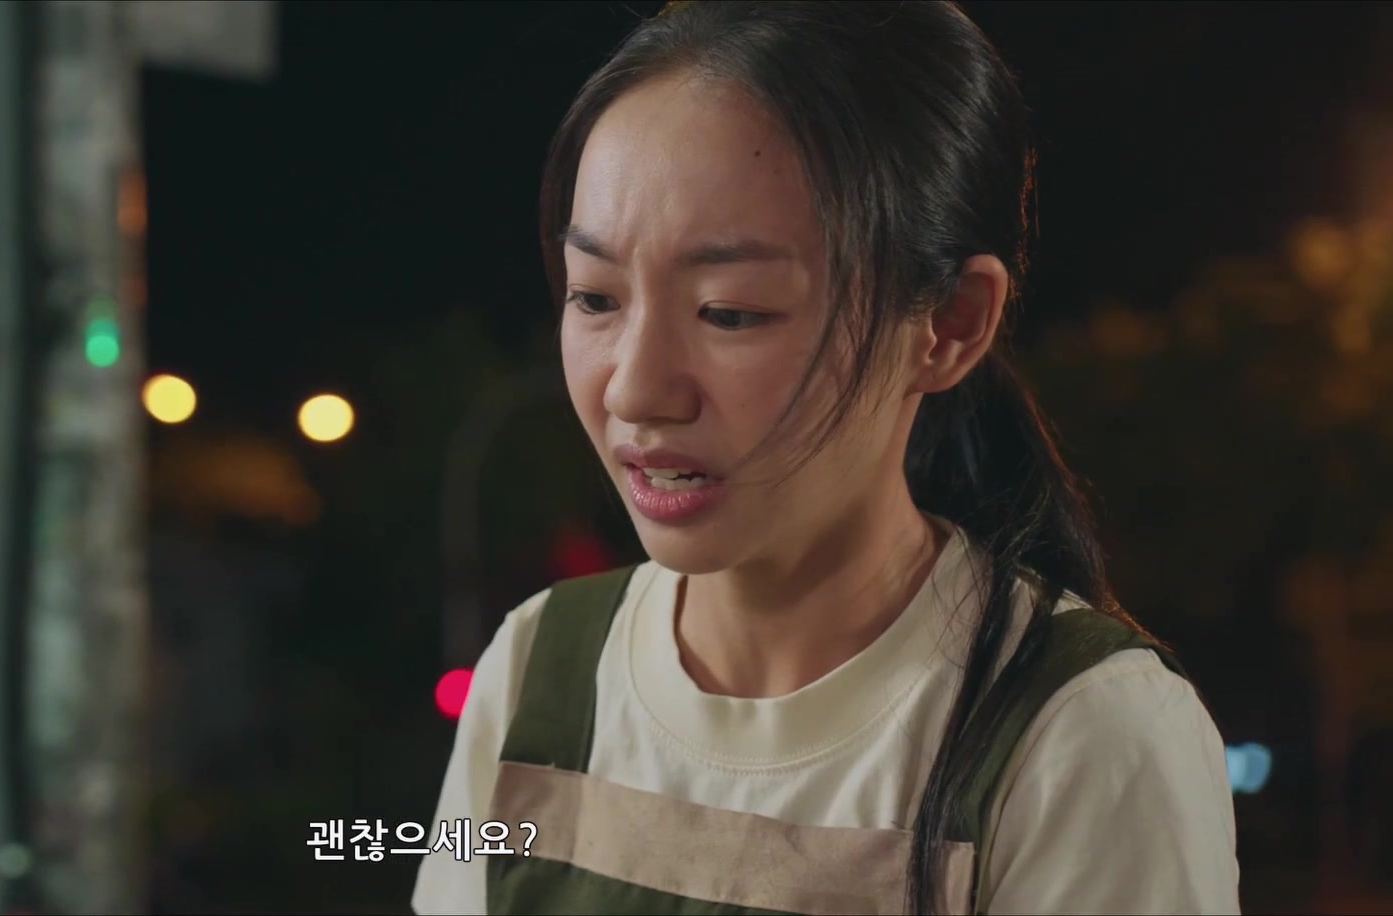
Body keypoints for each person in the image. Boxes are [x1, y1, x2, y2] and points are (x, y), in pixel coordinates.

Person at [411, 2, 1241, 914]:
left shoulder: (1081, 736)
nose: (636, 390)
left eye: (730, 311)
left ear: (949, 324)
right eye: (595, 297)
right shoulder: (534, 675)